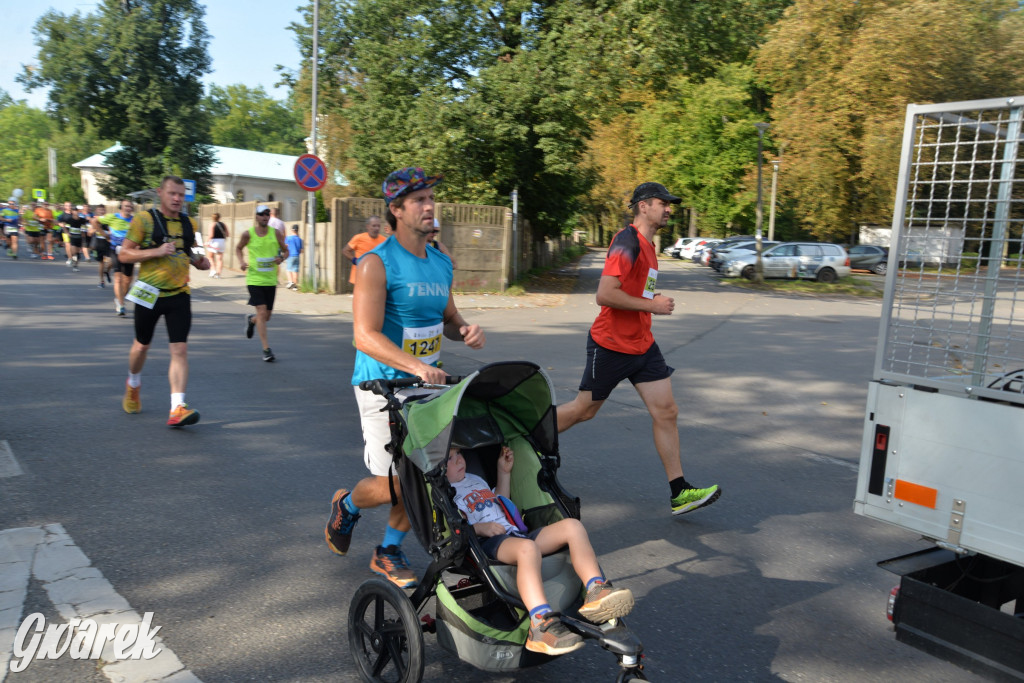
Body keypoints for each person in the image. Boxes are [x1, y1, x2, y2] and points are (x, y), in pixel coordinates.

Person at [324, 167, 486, 588]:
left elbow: (448, 319)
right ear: (396, 210)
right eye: (419, 200)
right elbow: (364, 335)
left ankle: (388, 549)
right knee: (395, 483)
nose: (430, 206)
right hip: (382, 384)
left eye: (432, 197)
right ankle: (348, 506)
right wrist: (415, 366)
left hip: (427, 386)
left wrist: (465, 330)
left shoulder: (441, 262)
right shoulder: (376, 262)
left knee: (424, 475)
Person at [556, 182, 721, 516]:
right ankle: (523, 437)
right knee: (584, 410)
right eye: (664, 203)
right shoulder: (626, 241)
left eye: (670, 204)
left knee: (667, 411)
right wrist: (653, 305)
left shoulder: (648, 245)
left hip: (642, 345)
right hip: (612, 345)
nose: (670, 209)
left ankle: (680, 491)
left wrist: (648, 308)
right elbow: (605, 294)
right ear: (643, 206)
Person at [447, 444, 634, 655]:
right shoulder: (449, 493)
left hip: (516, 533)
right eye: (450, 459)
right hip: (490, 543)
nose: (459, 460)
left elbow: (500, 500)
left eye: (459, 454)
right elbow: (456, 528)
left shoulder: (475, 479)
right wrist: (481, 528)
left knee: (573, 527)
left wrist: (503, 471)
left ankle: (596, 589)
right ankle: (540, 624)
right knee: (527, 549)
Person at [117, 175, 210, 427]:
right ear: (160, 193)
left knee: (179, 349)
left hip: (179, 293)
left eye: (181, 194)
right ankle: (133, 383)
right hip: (149, 293)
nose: (177, 198)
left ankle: (177, 407)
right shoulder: (143, 220)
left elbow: (193, 254)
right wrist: (155, 251)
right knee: (141, 346)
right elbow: (124, 254)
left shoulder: (190, 223)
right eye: (172, 193)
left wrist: (201, 262)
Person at [236, 204, 287, 362]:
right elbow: (238, 248)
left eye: (267, 214)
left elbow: (286, 250)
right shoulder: (248, 234)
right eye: (261, 214)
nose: (265, 217)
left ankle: (252, 320)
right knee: (262, 312)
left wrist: (282, 258)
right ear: (256, 217)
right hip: (254, 279)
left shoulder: (276, 233)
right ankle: (266, 350)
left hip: (270, 280)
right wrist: (241, 261)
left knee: (266, 316)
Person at [100, 199, 136, 316]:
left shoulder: (134, 220)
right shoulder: (112, 217)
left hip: (129, 252)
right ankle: (121, 305)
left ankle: (120, 298)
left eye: (130, 206)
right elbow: (95, 221)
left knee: (128, 280)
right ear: (121, 207)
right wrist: (105, 235)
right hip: (115, 250)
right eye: (126, 206)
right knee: (118, 278)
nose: (128, 208)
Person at [341, 215, 386, 287]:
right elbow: (345, 251)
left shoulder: (384, 241)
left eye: (378, 226)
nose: (376, 228)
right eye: (374, 226)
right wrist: (355, 260)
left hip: (376, 276)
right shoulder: (359, 238)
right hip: (360, 276)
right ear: (367, 226)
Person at [57, 202, 89, 271]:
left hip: (79, 238)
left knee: (78, 253)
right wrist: (67, 233)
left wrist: (83, 239)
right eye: (74, 211)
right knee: (73, 251)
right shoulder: (70, 220)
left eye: (77, 211)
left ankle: (75, 265)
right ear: (73, 212)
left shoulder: (82, 220)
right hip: (73, 237)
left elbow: (83, 230)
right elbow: (65, 227)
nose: (75, 213)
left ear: (78, 212)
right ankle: (71, 259)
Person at [88, 205, 113, 288]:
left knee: (111, 261)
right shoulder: (94, 221)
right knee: (101, 263)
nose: (101, 211)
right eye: (99, 210)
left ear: (105, 211)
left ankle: (107, 271)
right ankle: (101, 281)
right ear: (96, 211)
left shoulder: (108, 220)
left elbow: (112, 230)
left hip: (108, 242)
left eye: (103, 210)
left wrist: (109, 233)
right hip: (98, 243)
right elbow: (89, 233)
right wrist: (95, 229)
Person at [205, 212, 229, 278]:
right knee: (220, 259)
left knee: (210, 257)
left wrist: (206, 242)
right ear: (219, 218)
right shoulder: (224, 224)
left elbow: (211, 235)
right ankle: (218, 274)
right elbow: (227, 234)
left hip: (214, 242)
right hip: (222, 242)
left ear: (212, 218)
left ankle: (213, 270)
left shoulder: (212, 224)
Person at [284, 225, 302, 290]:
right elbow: (300, 250)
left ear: (292, 230)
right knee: (295, 270)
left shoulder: (288, 238)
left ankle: (290, 282)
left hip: (290, 255)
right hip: (297, 256)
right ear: (297, 230)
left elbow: (285, 246)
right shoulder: (299, 239)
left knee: (288, 269)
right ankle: (295, 286)